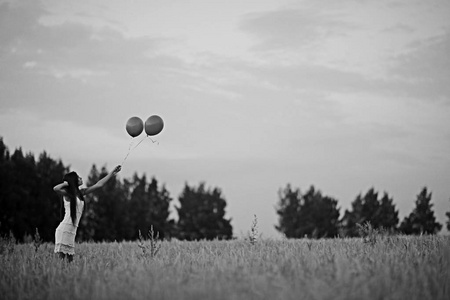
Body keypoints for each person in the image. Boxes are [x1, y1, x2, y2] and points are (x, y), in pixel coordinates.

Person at [53, 165, 121, 262]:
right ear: (74, 181)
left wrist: (112, 173)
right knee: (62, 262)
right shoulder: (68, 194)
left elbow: (99, 185)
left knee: (69, 262)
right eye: (78, 178)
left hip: (71, 231)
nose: (81, 178)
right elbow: (56, 188)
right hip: (64, 230)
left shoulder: (81, 193)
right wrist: (67, 183)